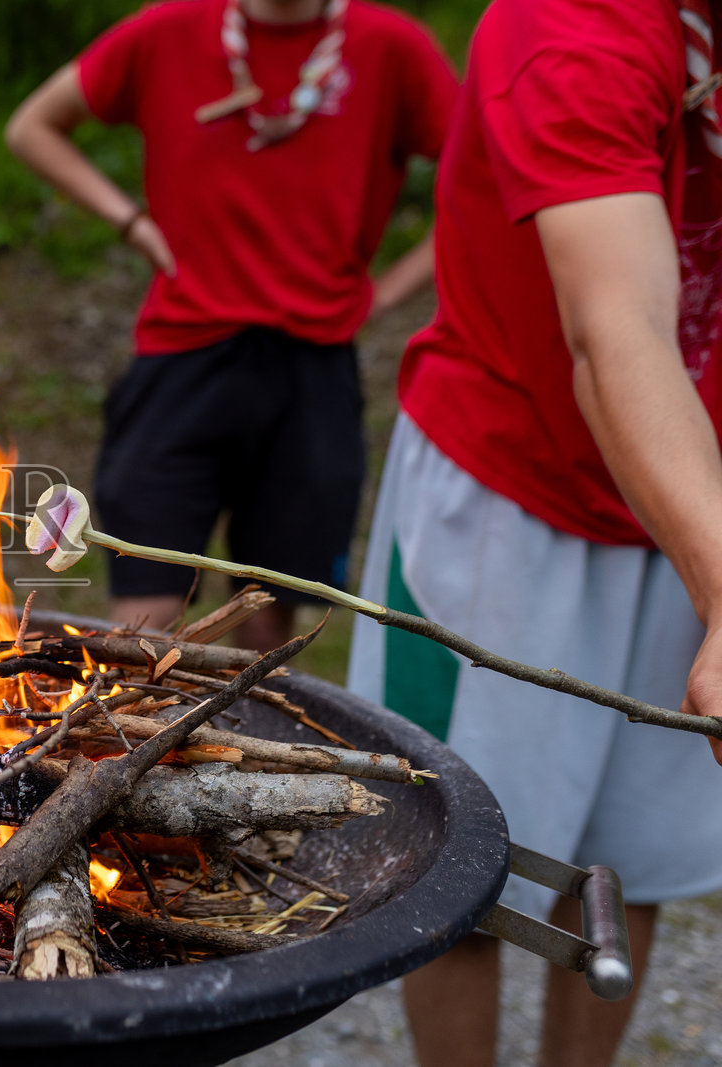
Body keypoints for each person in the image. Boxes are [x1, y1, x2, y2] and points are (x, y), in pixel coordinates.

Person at [344, 0, 722, 1064]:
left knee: (628, 865)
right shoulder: (573, 22)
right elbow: (616, 332)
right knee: (458, 867)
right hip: (510, 501)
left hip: (696, 497)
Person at [5, 0, 456, 648]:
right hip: (182, 356)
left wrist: (388, 291)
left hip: (313, 366)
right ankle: (120, 747)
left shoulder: (391, 47)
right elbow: (32, 127)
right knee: (143, 622)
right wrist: (132, 223)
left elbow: (484, 175)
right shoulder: (167, 30)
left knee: (264, 618)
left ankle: (242, 749)